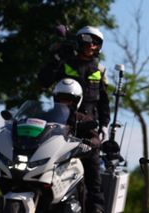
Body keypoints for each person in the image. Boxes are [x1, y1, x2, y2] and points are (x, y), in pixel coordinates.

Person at [38, 26, 110, 213]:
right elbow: (44, 81)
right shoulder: (65, 63)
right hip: (61, 127)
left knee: (93, 175)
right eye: (87, 40)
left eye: (95, 42)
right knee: (48, 168)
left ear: (99, 46)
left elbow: (103, 102)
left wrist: (105, 125)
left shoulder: (100, 70)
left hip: (89, 129)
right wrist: (55, 57)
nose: (91, 45)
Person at [52, 78, 104, 213]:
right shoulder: (47, 116)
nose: (64, 103)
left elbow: (95, 138)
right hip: (51, 160)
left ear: (76, 101)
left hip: (75, 159)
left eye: (69, 99)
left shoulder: (82, 119)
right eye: (61, 99)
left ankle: (95, 209)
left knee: (92, 185)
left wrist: (89, 143)